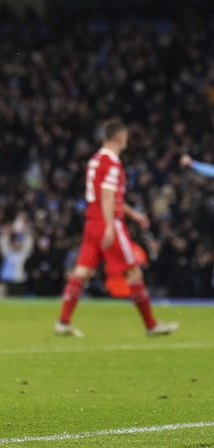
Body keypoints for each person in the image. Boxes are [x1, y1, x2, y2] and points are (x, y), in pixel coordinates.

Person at [55, 119, 178, 337]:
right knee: (133, 271)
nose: (126, 144)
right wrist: (110, 226)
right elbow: (108, 195)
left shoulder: (95, 161)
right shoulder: (112, 163)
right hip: (107, 222)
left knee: (82, 272)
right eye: (126, 139)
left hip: (91, 222)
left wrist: (134, 214)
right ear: (119, 138)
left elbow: (107, 194)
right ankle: (151, 325)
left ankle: (63, 322)